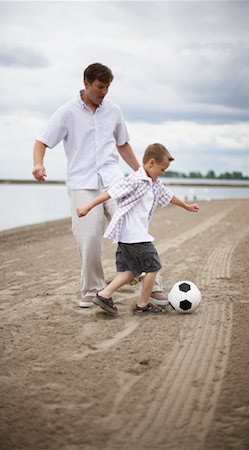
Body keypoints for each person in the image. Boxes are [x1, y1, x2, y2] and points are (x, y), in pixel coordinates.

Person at [32, 63, 167, 307]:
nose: (104, 92)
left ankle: (153, 287)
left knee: (135, 231)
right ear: (86, 83)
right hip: (82, 183)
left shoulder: (113, 111)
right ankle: (93, 290)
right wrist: (38, 164)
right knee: (90, 237)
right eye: (99, 87)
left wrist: (142, 173)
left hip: (114, 180)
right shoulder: (66, 112)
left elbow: (123, 145)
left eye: (107, 87)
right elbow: (42, 141)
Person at [76, 143, 200, 316]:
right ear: (151, 163)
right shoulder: (134, 180)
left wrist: (186, 206)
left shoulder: (154, 183)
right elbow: (110, 193)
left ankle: (104, 295)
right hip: (135, 236)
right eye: (162, 169)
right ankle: (143, 305)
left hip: (129, 237)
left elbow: (169, 196)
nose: (163, 173)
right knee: (153, 266)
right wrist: (87, 207)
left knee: (131, 271)